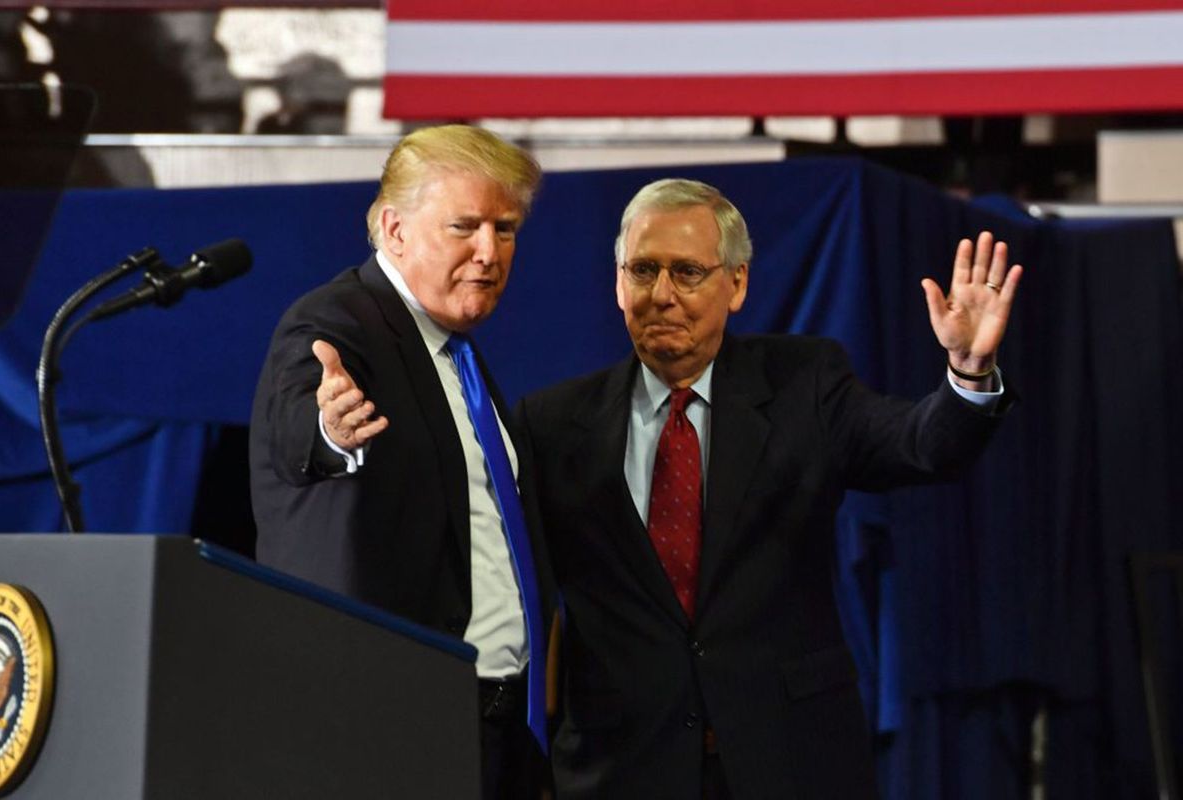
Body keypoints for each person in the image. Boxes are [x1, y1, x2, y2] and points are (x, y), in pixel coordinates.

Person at [517, 178, 1022, 799]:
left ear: (737, 284)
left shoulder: (804, 385)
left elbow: (919, 445)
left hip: (789, 762)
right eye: (643, 270)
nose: (662, 294)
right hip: (622, 771)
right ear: (619, 283)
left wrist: (968, 373)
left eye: (688, 272)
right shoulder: (552, 425)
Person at [249, 124, 554, 799]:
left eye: (505, 229)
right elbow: (298, 429)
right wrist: (330, 430)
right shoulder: (335, 323)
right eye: (464, 226)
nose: (489, 252)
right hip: (391, 724)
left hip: (500, 728)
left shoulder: (456, 353)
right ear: (394, 230)